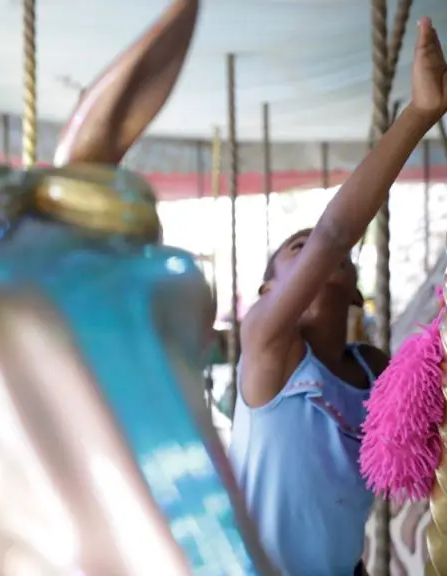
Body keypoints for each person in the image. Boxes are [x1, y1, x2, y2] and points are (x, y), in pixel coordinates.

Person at [227, 17, 446, 576]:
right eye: (296, 250)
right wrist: (419, 115)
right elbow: (334, 233)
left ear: (353, 290)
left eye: (326, 258)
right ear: (269, 292)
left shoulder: (372, 370)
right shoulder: (268, 350)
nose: (318, 253)